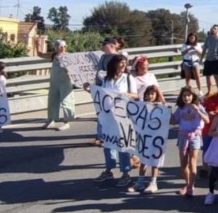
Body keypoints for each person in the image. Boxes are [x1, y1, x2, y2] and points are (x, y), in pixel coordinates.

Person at [86, 54, 138, 187]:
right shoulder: (107, 79)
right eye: (121, 63)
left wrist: (126, 95)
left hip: (123, 115)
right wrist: (89, 89)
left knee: (123, 144)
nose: (123, 66)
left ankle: (125, 173)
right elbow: (102, 94)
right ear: (114, 64)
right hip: (108, 116)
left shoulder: (128, 78)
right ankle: (109, 170)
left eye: (125, 63)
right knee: (108, 143)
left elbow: (136, 95)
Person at [171, 86, 209, 198]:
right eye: (184, 96)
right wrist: (166, 113)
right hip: (183, 135)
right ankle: (187, 183)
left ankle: (191, 186)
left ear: (193, 96)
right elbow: (173, 121)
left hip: (195, 135)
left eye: (188, 95)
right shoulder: (181, 108)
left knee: (192, 161)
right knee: (183, 163)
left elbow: (207, 120)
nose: (186, 98)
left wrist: (197, 110)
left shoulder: (199, 106)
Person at [129, 85, 167, 194]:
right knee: (143, 159)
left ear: (156, 95)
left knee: (155, 160)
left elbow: (165, 111)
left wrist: (159, 93)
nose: (150, 96)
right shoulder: (142, 106)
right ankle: (140, 182)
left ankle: (153, 182)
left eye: (152, 94)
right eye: (148, 94)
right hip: (145, 136)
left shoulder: (161, 107)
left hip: (157, 137)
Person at [44, 39, 75, 131]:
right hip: (54, 82)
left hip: (65, 83)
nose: (63, 48)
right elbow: (40, 54)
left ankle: (66, 122)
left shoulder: (69, 56)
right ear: (56, 48)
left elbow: (75, 68)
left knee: (66, 102)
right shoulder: (53, 56)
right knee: (52, 101)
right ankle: (51, 120)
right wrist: (37, 45)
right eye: (61, 47)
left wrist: (69, 71)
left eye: (64, 46)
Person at [201, 24, 218, 93]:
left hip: (216, 59)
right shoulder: (208, 38)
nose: (213, 29)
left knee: (216, 75)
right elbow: (204, 49)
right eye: (213, 28)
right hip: (208, 60)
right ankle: (209, 91)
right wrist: (201, 58)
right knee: (207, 76)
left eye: (215, 28)